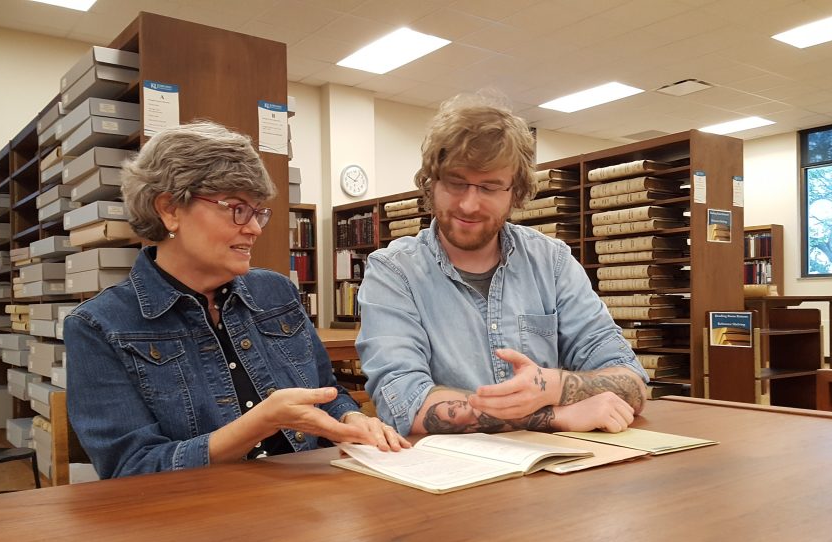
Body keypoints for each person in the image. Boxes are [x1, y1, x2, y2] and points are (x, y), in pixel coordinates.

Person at [65, 120, 408, 479]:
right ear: (169, 209)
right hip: (196, 520)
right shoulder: (99, 326)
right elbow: (130, 469)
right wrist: (260, 422)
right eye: (236, 208)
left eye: (258, 211)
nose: (255, 228)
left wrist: (352, 419)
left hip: (308, 501)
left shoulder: (277, 292)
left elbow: (328, 392)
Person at [356, 94, 648, 438]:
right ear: (431, 183)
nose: (468, 203)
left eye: (489, 187)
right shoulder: (393, 272)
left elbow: (632, 381)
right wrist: (553, 414)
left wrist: (552, 385)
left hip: (553, 472)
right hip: (445, 479)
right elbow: (406, 404)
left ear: (515, 192)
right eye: (455, 182)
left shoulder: (552, 262)